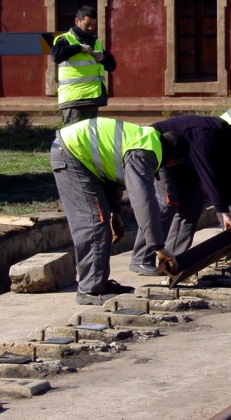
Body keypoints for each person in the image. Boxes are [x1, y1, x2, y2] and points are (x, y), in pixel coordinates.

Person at [51, 117, 188, 305]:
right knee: (94, 221)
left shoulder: (147, 139)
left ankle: (99, 284)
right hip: (71, 154)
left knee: (101, 219)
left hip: (79, 154)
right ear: (172, 161)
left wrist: (115, 212)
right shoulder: (144, 153)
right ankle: (91, 290)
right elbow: (144, 201)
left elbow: (113, 175)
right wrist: (158, 247)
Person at [129, 115, 231, 276]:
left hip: (181, 159)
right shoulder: (205, 136)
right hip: (159, 151)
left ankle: (172, 260)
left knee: (193, 203)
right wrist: (222, 210)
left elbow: (229, 174)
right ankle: (141, 259)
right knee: (168, 202)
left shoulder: (223, 141)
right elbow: (208, 174)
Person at [52, 6, 116, 126]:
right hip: (75, 99)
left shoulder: (95, 41)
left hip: (93, 97)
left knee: (88, 138)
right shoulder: (65, 39)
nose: (91, 28)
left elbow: (112, 65)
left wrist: (102, 57)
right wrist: (78, 48)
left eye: (93, 25)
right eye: (87, 24)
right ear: (77, 21)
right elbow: (56, 56)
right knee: (74, 139)